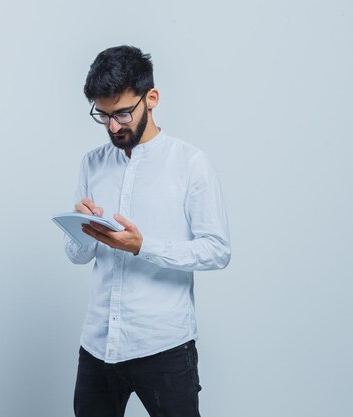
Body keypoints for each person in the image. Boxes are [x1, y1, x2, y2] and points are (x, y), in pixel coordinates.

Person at [63, 45, 231, 417]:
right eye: (103, 115)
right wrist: (80, 228)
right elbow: (76, 256)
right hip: (97, 344)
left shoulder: (191, 164)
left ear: (151, 98)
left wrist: (144, 246)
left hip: (164, 345)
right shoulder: (92, 163)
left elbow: (218, 250)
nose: (113, 126)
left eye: (122, 113)